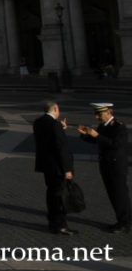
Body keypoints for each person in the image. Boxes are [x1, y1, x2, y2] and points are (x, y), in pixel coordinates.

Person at [78, 102, 130, 233]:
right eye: (96, 114)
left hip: (116, 166)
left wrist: (97, 135)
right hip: (106, 165)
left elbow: (116, 144)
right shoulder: (103, 126)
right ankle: (121, 220)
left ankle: (125, 223)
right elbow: (97, 141)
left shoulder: (119, 127)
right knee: (112, 194)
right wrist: (84, 135)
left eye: (99, 114)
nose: (97, 117)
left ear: (109, 112)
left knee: (120, 195)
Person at [34, 100, 75, 235]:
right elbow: (60, 148)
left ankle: (52, 221)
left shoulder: (38, 122)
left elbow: (47, 139)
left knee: (51, 194)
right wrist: (67, 169)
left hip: (46, 166)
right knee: (59, 197)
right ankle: (60, 225)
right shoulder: (55, 125)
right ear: (56, 109)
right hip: (58, 167)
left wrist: (60, 129)